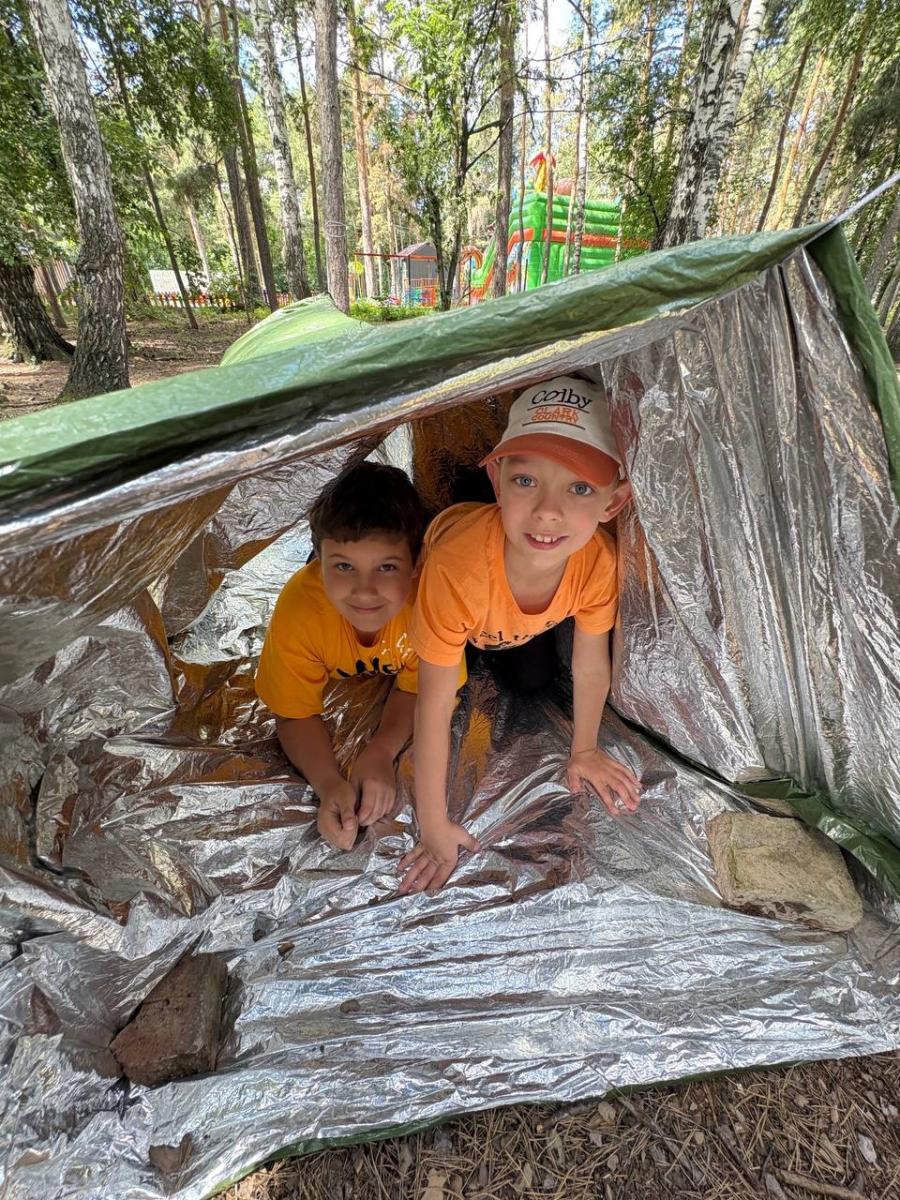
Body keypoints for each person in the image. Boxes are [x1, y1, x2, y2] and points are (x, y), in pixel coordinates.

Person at [402, 375, 642, 894]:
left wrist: (584, 750)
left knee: (531, 679)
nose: (548, 510)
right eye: (526, 479)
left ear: (614, 502)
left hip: (506, 618)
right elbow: (434, 702)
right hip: (460, 579)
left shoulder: (598, 563)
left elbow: (591, 663)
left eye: (580, 487)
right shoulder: (456, 570)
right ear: (497, 478)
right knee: (438, 669)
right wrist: (433, 824)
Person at [255, 461, 426, 851]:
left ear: (416, 565)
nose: (365, 591)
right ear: (319, 561)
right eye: (344, 566)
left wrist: (381, 750)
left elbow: (421, 688)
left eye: (386, 567)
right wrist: (328, 783)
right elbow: (294, 713)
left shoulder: (428, 604)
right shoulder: (301, 611)